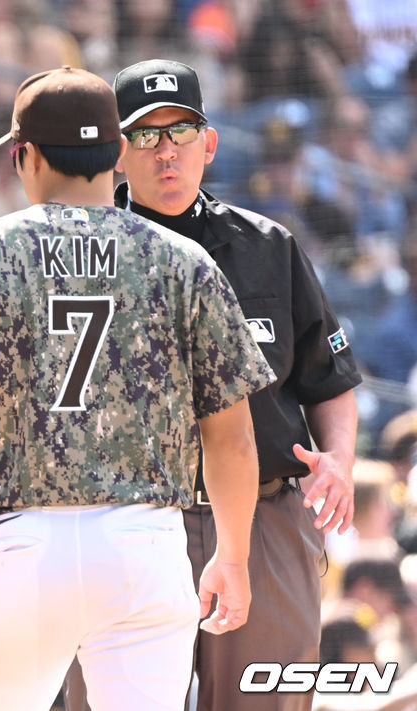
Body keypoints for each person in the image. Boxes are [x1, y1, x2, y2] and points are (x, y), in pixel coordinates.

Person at [0, 65, 276, 711]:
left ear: (24, 156)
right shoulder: (183, 260)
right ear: (118, 154)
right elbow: (232, 439)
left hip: (21, 549)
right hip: (144, 548)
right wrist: (231, 554)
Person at [64, 58, 363, 711]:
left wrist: (339, 458)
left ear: (210, 143)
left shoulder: (270, 247)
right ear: (117, 152)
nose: (166, 151)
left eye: (181, 131)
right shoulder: (81, 255)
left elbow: (329, 378)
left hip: (264, 521)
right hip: (130, 520)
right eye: (146, 135)